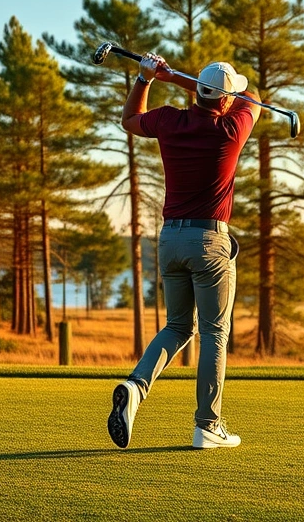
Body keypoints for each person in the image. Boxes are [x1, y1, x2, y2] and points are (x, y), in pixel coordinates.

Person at [107, 53, 261, 450]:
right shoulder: (231, 127)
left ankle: (136, 388)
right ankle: (208, 425)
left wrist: (148, 79)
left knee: (178, 326)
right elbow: (253, 97)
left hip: (170, 239)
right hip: (209, 241)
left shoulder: (169, 120)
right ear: (225, 100)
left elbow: (128, 120)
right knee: (213, 331)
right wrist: (177, 77)